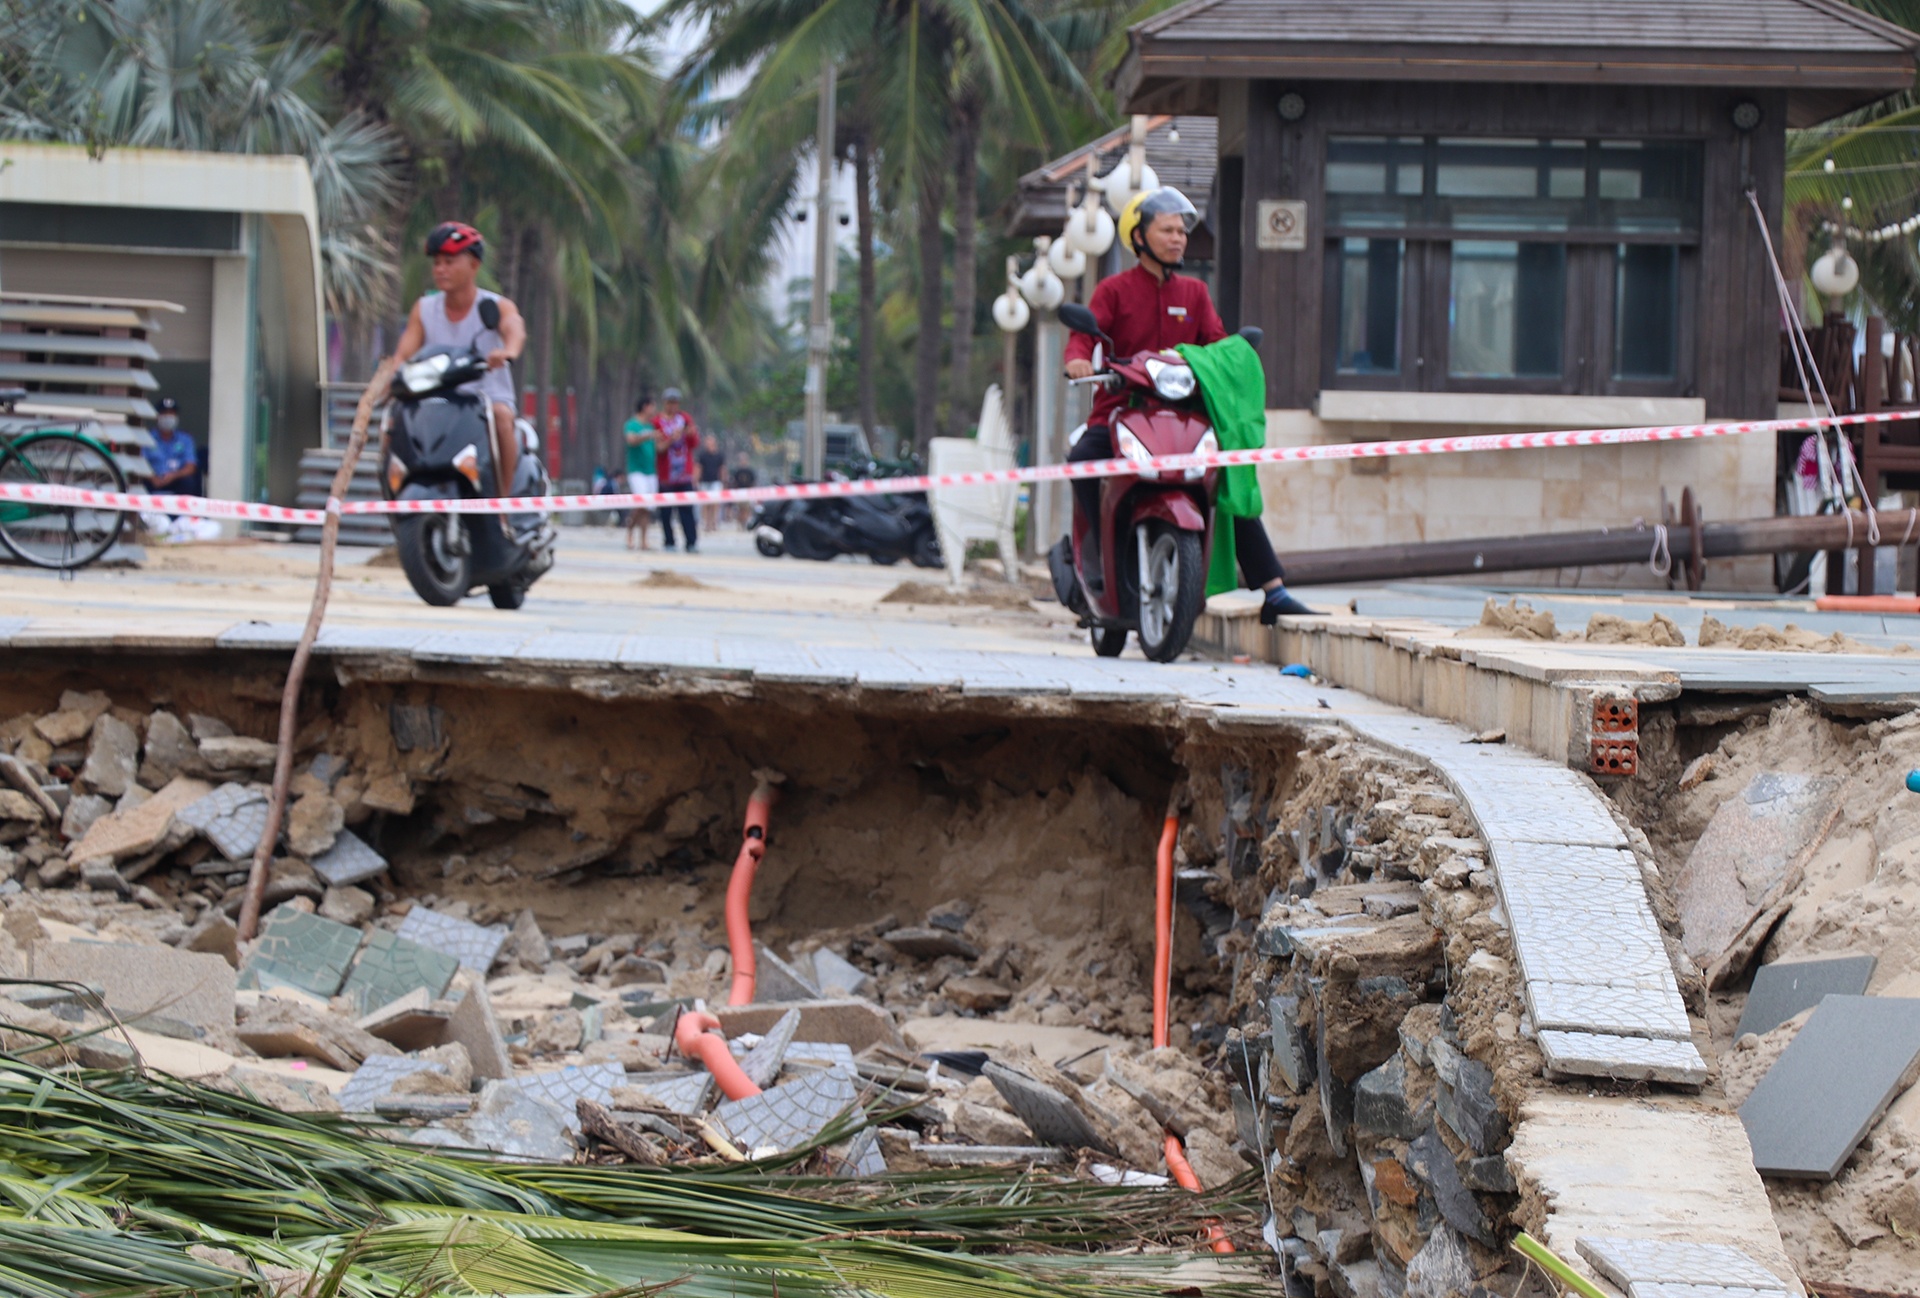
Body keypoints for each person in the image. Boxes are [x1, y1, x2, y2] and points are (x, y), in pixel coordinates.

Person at [1062, 187, 1315, 623]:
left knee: (1224, 476)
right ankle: (1095, 559)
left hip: (1183, 415)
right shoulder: (1114, 290)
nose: (1178, 238)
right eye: (1167, 230)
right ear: (1139, 237)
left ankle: (1273, 590)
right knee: (1082, 457)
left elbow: (1215, 345)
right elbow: (1084, 335)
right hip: (1122, 409)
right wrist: (1078, 360)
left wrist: (1236, 356)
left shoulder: (1195, 293)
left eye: (1181, 231)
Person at [390, 221, 527, 495]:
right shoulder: (424, 309)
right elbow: (404, 353)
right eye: (437, 263)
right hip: (436, 397)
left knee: (502, 417)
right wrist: (394, 376)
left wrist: (508, 351)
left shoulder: (495, 305)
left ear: (474, 265)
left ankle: (503, 503)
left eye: (449, 262)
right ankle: (394, 497)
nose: (440, 269)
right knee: (393, 421)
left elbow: (514, 327)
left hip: (485, 397)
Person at [656, 387, 701, 552]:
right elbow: (658, 448)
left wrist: (690, 433)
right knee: (666, 512)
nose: (673, 406)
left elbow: (695, 443)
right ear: (664, 403)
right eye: (670, 402)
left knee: (687, 511)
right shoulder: (657, 422)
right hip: (666, 475)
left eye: (675, 402)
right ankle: (669, 542)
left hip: (684, 475)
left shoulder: (685, 419)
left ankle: (691, 542)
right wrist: (671, 439)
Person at [624, 394, 661, 550]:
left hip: (651, 471)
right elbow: (631, 440)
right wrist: (648, 435)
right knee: (641, 504)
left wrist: (671, 439)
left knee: (648, 508)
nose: (654, 409)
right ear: (645, 407)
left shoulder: (652, 427)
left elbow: (658, 448)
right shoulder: (632, 424)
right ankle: (630, 532)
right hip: (636, 471)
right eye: (652, 406)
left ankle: (644, 541)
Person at [146, 397, 201, 496]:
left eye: (171, 413)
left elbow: (190, 466)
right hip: (153, 481)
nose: (168, 416)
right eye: (164, 413)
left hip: (175, 480)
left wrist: (174, 476)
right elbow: (140, 463)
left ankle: (184, 511)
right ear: (157, 416)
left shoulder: (186, 439)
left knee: (189, 482)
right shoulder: (147, 438)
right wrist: (153, 478)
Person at [697, 433, 726, 531]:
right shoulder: (702, 455)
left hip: (715, 481)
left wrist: (723, 481)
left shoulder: (719, 455)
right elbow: (699, 468)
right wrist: (696, 480)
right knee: (705, 504)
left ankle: (714, 522)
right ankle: (706, 523)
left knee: (714, 504)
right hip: (705, 481)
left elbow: (722, 469)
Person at [728, 451, 758, 527]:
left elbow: (753, 482)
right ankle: (740, 523)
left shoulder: (750, 471)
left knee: (746, 509)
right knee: (739, 509)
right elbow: (734, 482)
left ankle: (745, 523)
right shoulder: (737, 471)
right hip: (739, 492)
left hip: (747, 492)